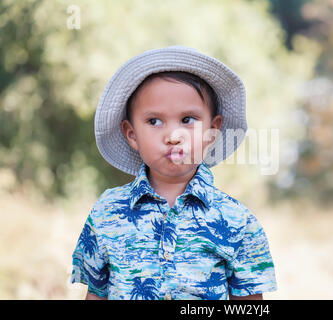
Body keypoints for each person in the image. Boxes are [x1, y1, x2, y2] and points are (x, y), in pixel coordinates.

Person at [70, 45, 277, 300]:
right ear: (131, 134)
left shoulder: (237, 222)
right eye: (154, 121)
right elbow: (96, 293)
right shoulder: (107, 213)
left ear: (213, 130)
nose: (172, 136)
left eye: (188, 119)